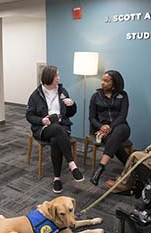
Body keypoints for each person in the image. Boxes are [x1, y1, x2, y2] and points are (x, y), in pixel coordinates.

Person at [26, 65, 84, 194]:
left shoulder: (62, 91)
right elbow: (29, 116)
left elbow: (70, 114)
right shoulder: (35, 95)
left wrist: (72, 104)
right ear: (49, 77)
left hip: (61, 126)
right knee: (56, 130)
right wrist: (41, 120)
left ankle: (57, 178)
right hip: (43, 128)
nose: (58, 78)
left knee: (55, 140)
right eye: (56, 76)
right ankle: (72, 164)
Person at [88, 70, 131, 186]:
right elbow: (92, 118)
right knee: (114, 140)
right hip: (102, 130)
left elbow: (122, 116)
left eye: (106, 81)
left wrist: (110, 127)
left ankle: (100, 168)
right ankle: (131, 166)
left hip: (121, 127)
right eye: (102, 80)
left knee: (117, 132)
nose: (102, 83)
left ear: (114, 83)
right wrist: (102, 126)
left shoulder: (123, 95)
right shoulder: (95, 96)